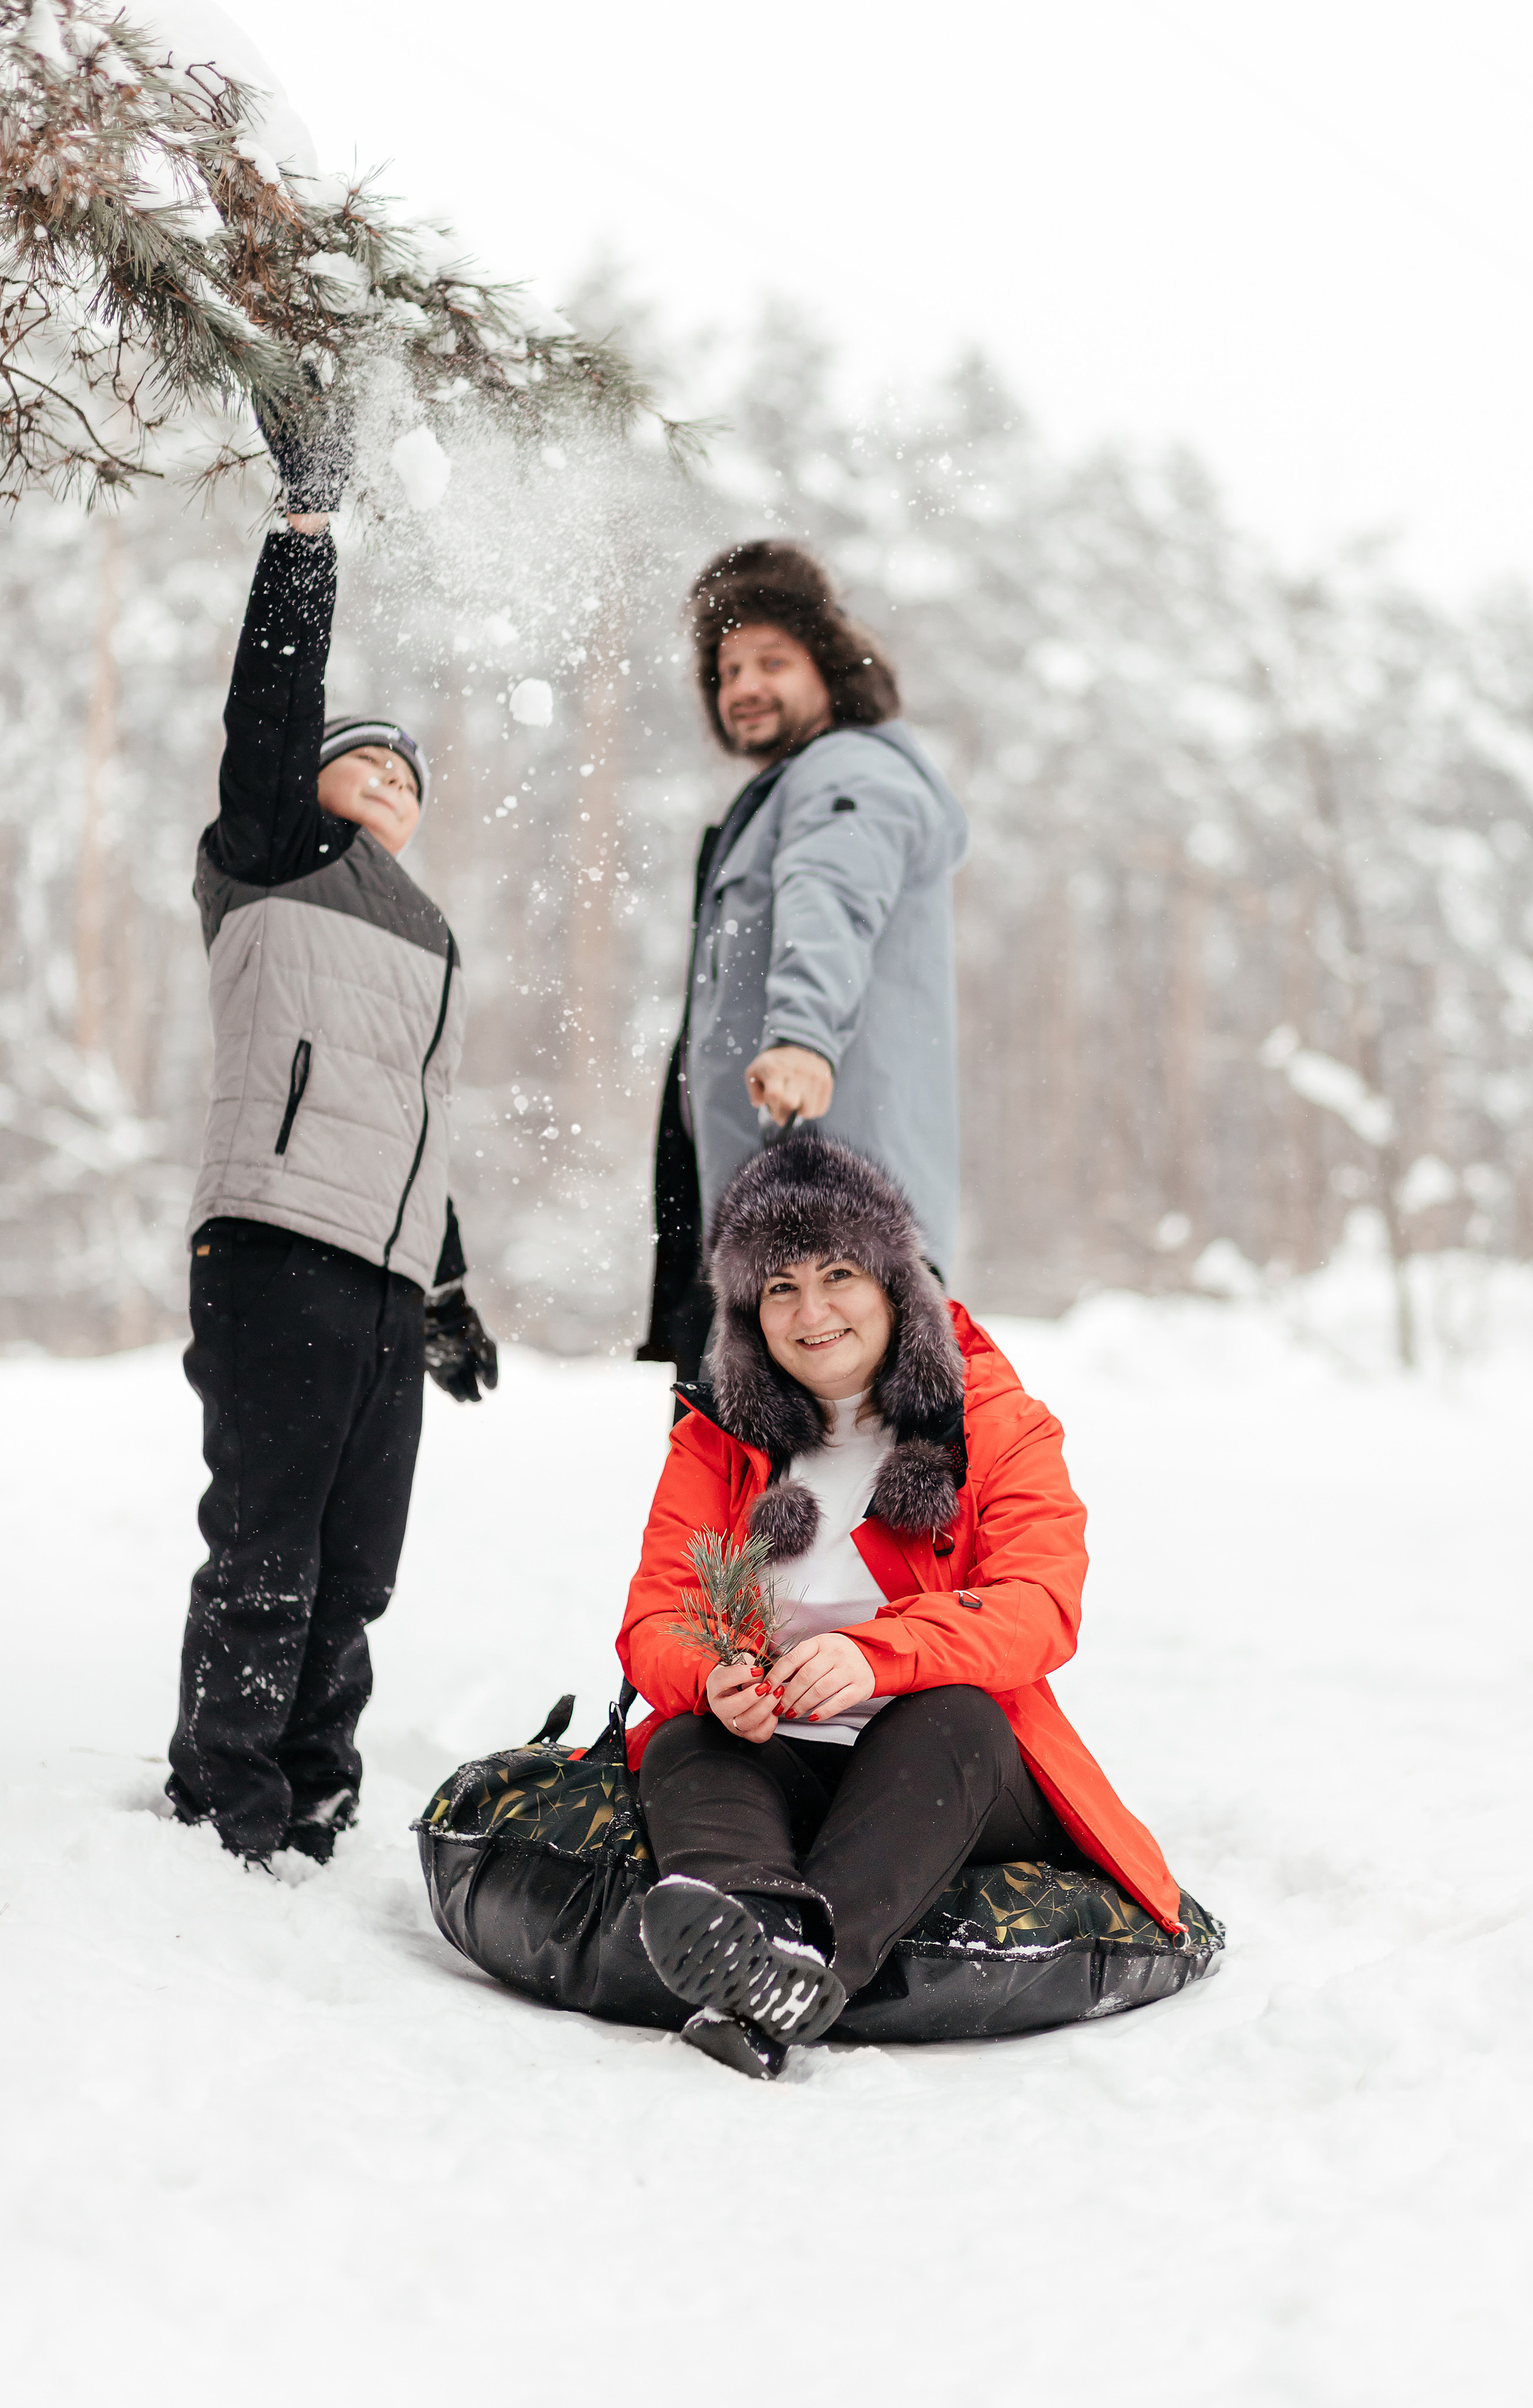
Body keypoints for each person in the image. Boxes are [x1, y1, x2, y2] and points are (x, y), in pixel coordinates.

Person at [618, 1130, 1184, 2079]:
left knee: (952, 1717)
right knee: (683, 1736)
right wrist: (710, 1678)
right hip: (784, 1763)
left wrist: (877, 1657)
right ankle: (752, 1950)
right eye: (780, 1287)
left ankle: (810, 1958)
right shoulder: (714, 1441)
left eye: (838, 1272)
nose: (812, 1311)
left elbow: (1040, 1605)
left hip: (953, 1775)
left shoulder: (994, 1422)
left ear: (894, 1281)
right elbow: (656, 1617)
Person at [166, 381, 499, 1870]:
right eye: (367, 758)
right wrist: (309, 525)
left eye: (410, 777)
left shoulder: (423, 936)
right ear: (306, 786)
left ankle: (315, 1793)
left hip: (375, 1276)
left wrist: (447, 1288)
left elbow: (409, 1118)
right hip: (276, 1245)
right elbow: (272, 703)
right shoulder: (274, 861)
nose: (393, 780)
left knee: (356, 1566)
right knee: (269, 1549)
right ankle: (223, 1798)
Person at [640, 541, 969, 1383]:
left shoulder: (847, 772)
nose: (743, 685)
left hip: (829, 1256)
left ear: (829, 668)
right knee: (743, 1507)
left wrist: (803, 1038)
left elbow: (831, 894)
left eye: (771, 661)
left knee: (824, 1505)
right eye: (727, 668)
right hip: (778, 1231)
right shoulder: (786, 794)